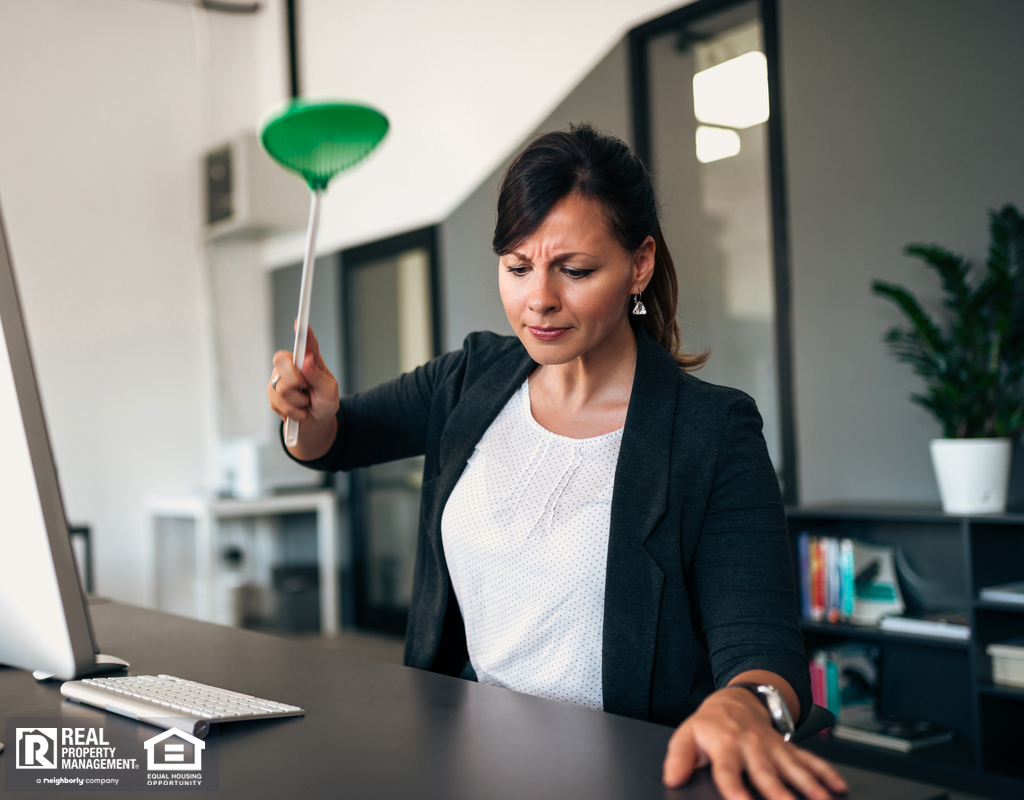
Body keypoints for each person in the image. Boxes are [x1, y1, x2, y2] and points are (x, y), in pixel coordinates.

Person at [268, 124, 847, 800]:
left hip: (630, 771)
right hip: (470, 758)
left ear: (639, 264)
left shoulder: (711, 431)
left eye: (575, 271)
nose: (539, 299)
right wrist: (311, 415)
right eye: (517, 267)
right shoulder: (470, 379)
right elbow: (338, 441)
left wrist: (745, 706)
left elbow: (762, 648)